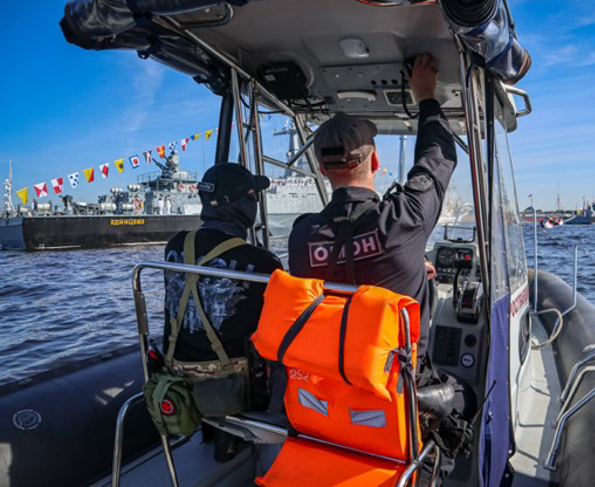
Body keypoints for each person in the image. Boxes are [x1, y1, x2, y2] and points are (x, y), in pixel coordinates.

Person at [288, 54, 470, 479]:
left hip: (326, 392)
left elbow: (346, 262)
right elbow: (439, 159)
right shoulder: (401, 220)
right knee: (469, 397)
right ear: (373, 163)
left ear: (321, 168)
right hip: (399, 394)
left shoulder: (300, 238)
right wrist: (425, 96)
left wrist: (408, 262)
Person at [162, 162, 283, 460]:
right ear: (238, 205)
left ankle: (214, 433)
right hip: (235, 384)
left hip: (177, 371)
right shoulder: (263, 263)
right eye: (252, 196)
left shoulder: (175, 245)